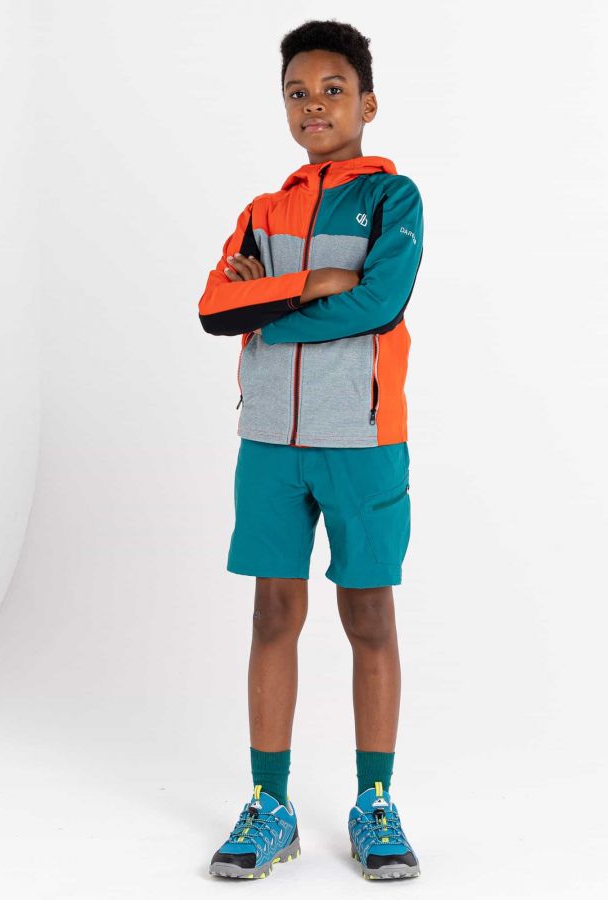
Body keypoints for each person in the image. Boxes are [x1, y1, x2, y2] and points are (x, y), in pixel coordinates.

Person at [198, 18, 424, 881]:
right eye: (298, 92)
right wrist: (312, 283)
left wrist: (271, 308)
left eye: (333, 90)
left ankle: (376, 802)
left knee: (368, 617)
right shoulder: (263, 212)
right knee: (272, 615)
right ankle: (270, 804)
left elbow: (378, 304)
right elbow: (215, 308)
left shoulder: (393, 200)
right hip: (268, 443)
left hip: (361, 440)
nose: (315, 105)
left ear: (368, 103)